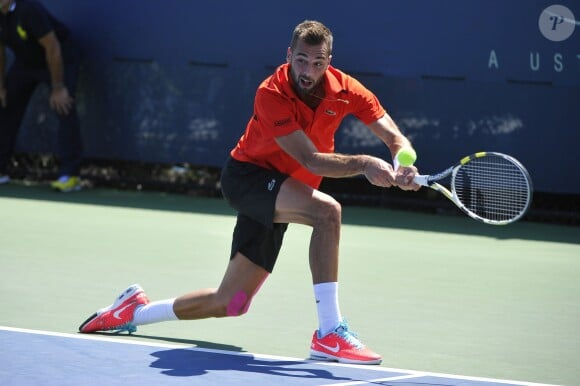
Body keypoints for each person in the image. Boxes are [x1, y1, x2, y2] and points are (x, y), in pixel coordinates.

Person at [78, 20, 420, 365]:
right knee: (327, 213)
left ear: (329, 62)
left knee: (231, 302)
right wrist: (364, 164)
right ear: (289, 55)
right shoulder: (271, 93)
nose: (308, 70)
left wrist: (403, 161)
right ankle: (330, 333)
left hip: (287, 190)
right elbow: (309, 159)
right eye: (301, 60)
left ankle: (134, 312)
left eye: (318, 63)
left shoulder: (346, 89)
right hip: (248, 178)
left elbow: (395, 138)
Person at [0, 0, 82, 191]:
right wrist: (1, 86)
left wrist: (58, 87)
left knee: (63, 105)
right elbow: (0, 51)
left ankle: (70, 175)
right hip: (27, 62)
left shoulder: (28, 9)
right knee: (6, 103)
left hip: (60, 57)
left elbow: (53, 47)